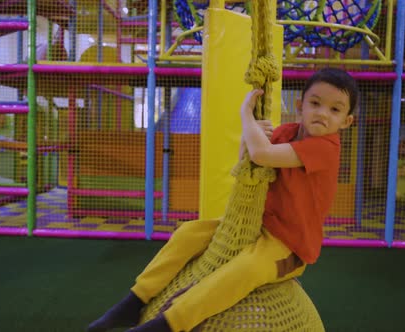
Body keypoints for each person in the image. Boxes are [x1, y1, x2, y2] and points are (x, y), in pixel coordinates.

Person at [86, 67, 358, 332]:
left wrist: (246, 117)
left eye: (335, 109)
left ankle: (169, 324)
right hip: (255, 225)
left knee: (245, 270)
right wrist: (248, 136)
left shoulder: (326, 149)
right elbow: (247, 158)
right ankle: (135, 300)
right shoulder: (287, 131)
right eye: (315, 103)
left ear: (346, 121)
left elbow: (262, 155)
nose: (322, 113)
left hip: (289, 246)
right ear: (300, 105)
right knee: (189, 233)